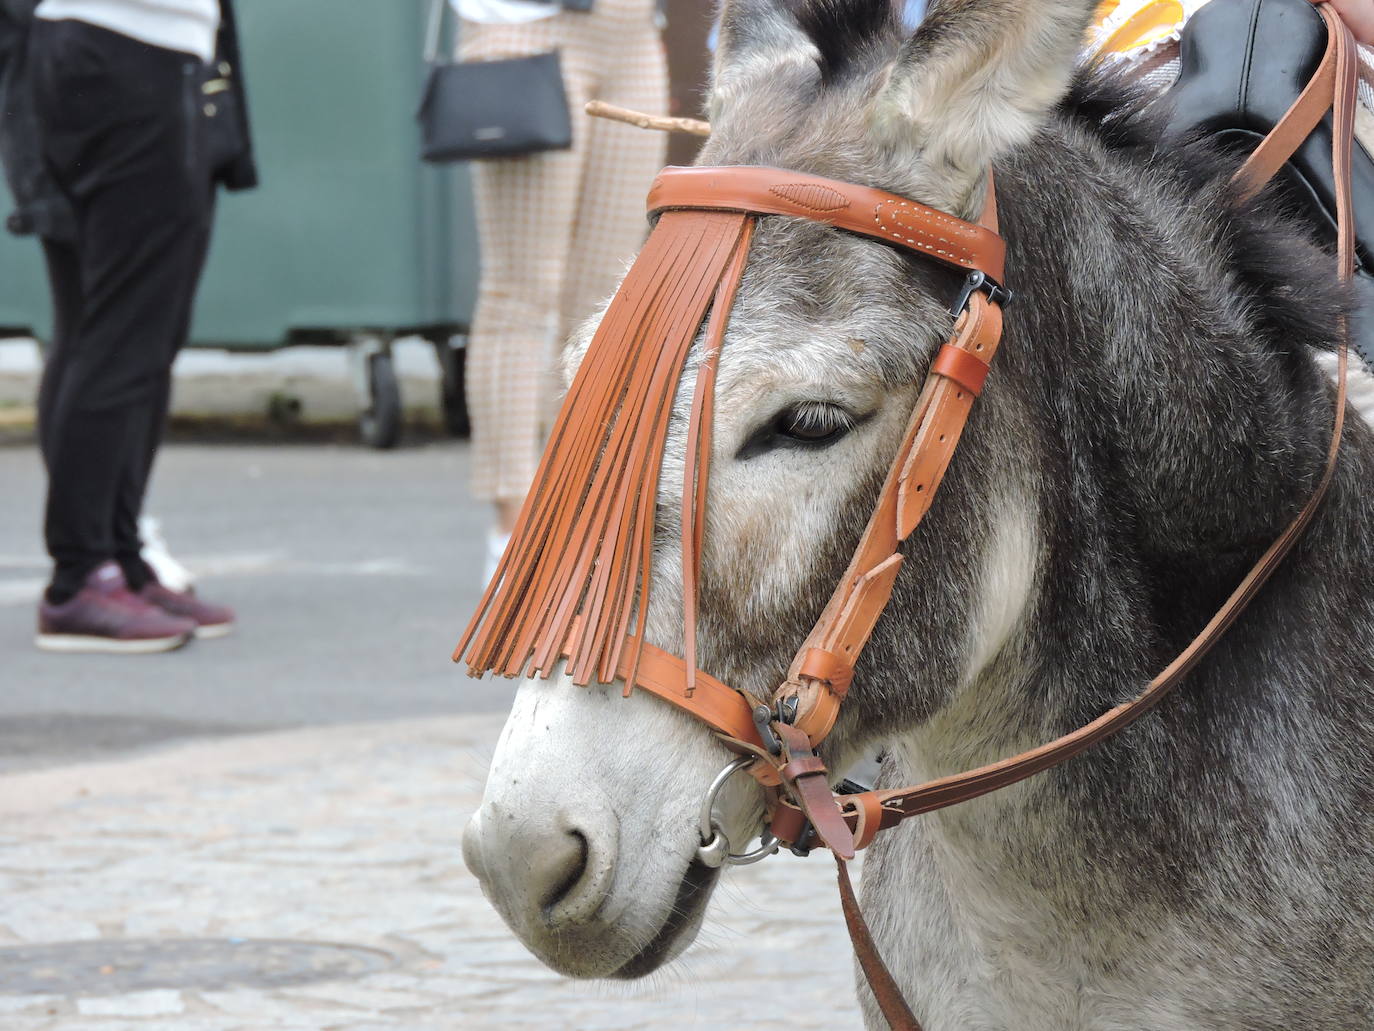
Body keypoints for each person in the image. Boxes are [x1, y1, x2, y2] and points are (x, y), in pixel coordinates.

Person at [3, 0, 256, 652]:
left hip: (118, 52)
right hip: (127, 51)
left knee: (114, 328)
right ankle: (81, 576)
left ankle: (118, 558)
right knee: (123, 334)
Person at [454, 0, 667, 580]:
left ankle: (575, 518)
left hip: (632, 33)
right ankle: (512, 534)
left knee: (604, 296)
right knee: (521, 292)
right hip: (526, 29)